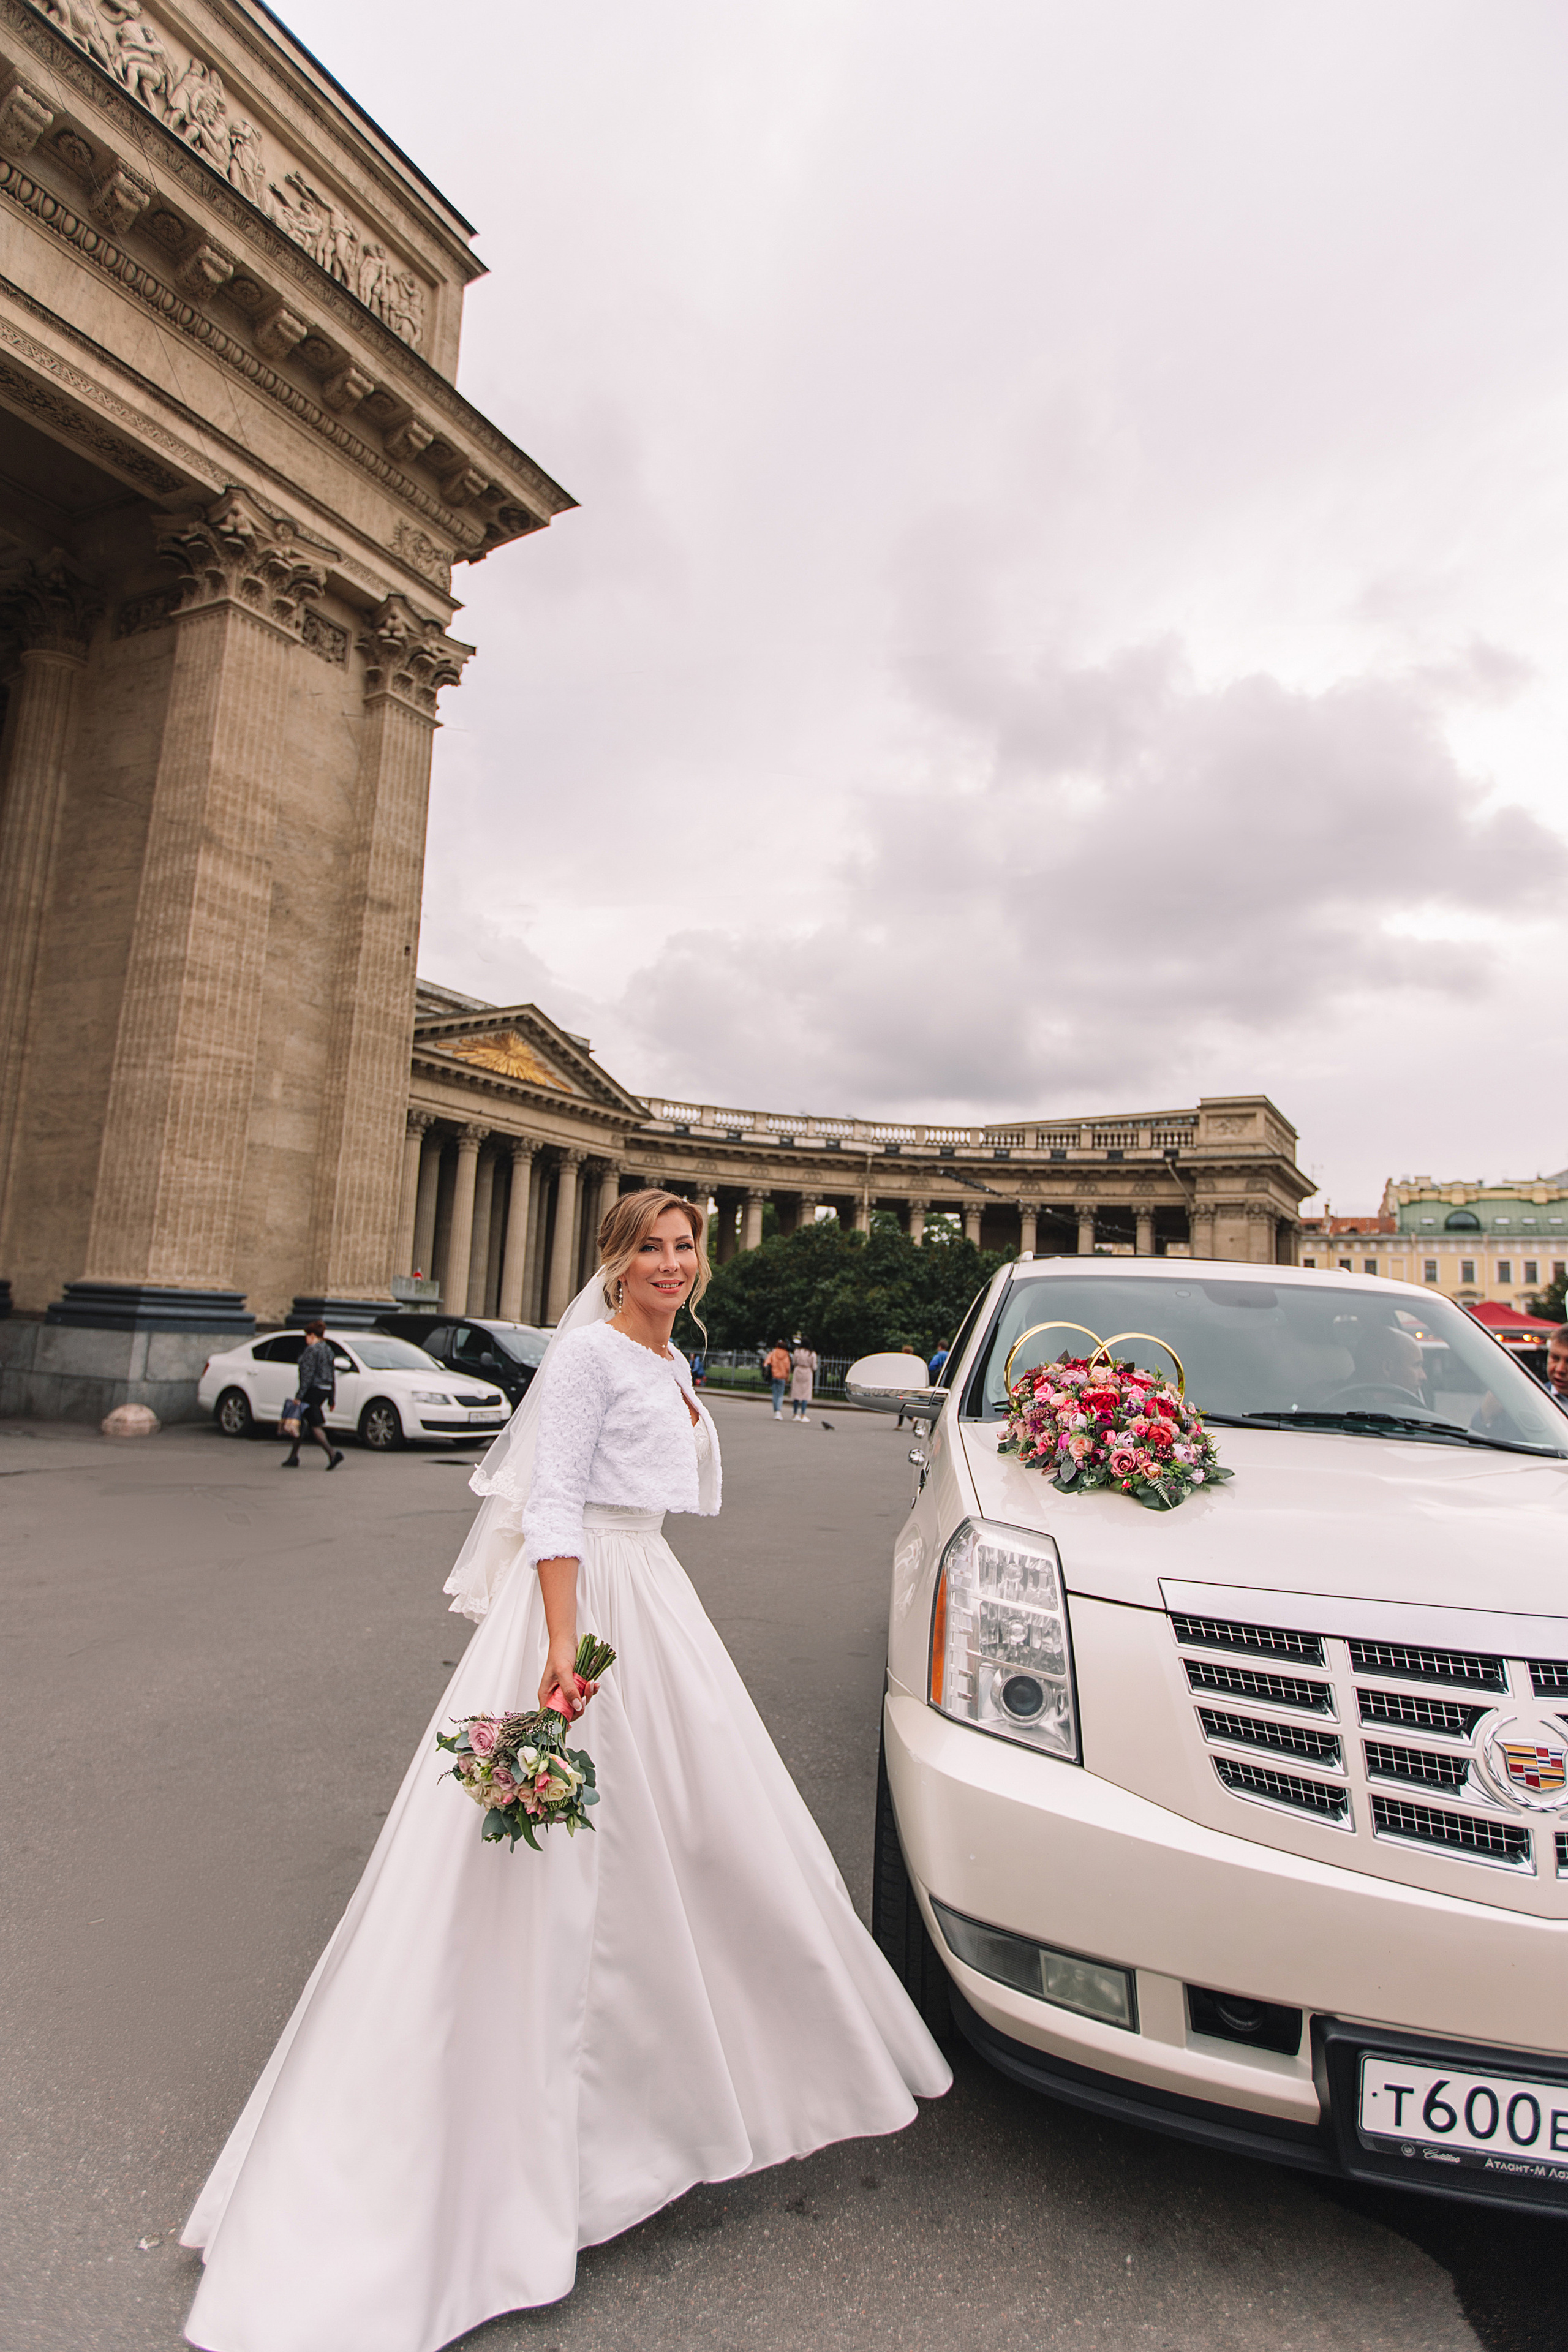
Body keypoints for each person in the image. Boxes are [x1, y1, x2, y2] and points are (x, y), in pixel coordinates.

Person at [181, 1189, 948, 2352]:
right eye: (653, 1247)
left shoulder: (672, 1355)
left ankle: (671, 2105)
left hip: (655, 1599)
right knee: (553, 1864)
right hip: (588, 1602)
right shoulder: (591, 1357)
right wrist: (557, 1642)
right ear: (614, 1260)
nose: (675, 1263)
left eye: (688, 1246)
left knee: (693, 1838)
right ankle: (526, 2147)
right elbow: (550, 1502)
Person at [282, 1319, 344, 1470]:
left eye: (307, 1336)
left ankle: (332, 1453)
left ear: (312, 1336)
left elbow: (307, 1376)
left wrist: (299, 1396)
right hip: (325, 1389)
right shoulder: (328, 1349)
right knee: (301, 1422)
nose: (306, 1339)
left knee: (314, 1424)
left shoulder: (312, 1350)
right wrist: (332, 1397)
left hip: (313, 1390)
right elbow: (332, 1374)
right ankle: (293, 1457)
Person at [789, 1334, 818, 1423]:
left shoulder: (797, 1351)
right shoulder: (812, 1353)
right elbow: (814, 1366)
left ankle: (795, 1414)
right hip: (807, 1371)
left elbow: (794, 1361)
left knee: (796, 1393)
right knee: (805, 1394)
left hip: (798, 1371)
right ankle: (803, 1415)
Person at [764, 1338, 791, 1417]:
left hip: (774, 1376)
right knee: (780, 1395)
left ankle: (776, 1411)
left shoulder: (773, 1353)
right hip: (782, 1377)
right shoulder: (786, 1355)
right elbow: (788, 1368)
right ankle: (779, 1411)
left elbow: (767, 1363)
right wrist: (787, 1378)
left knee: (775, 1394)